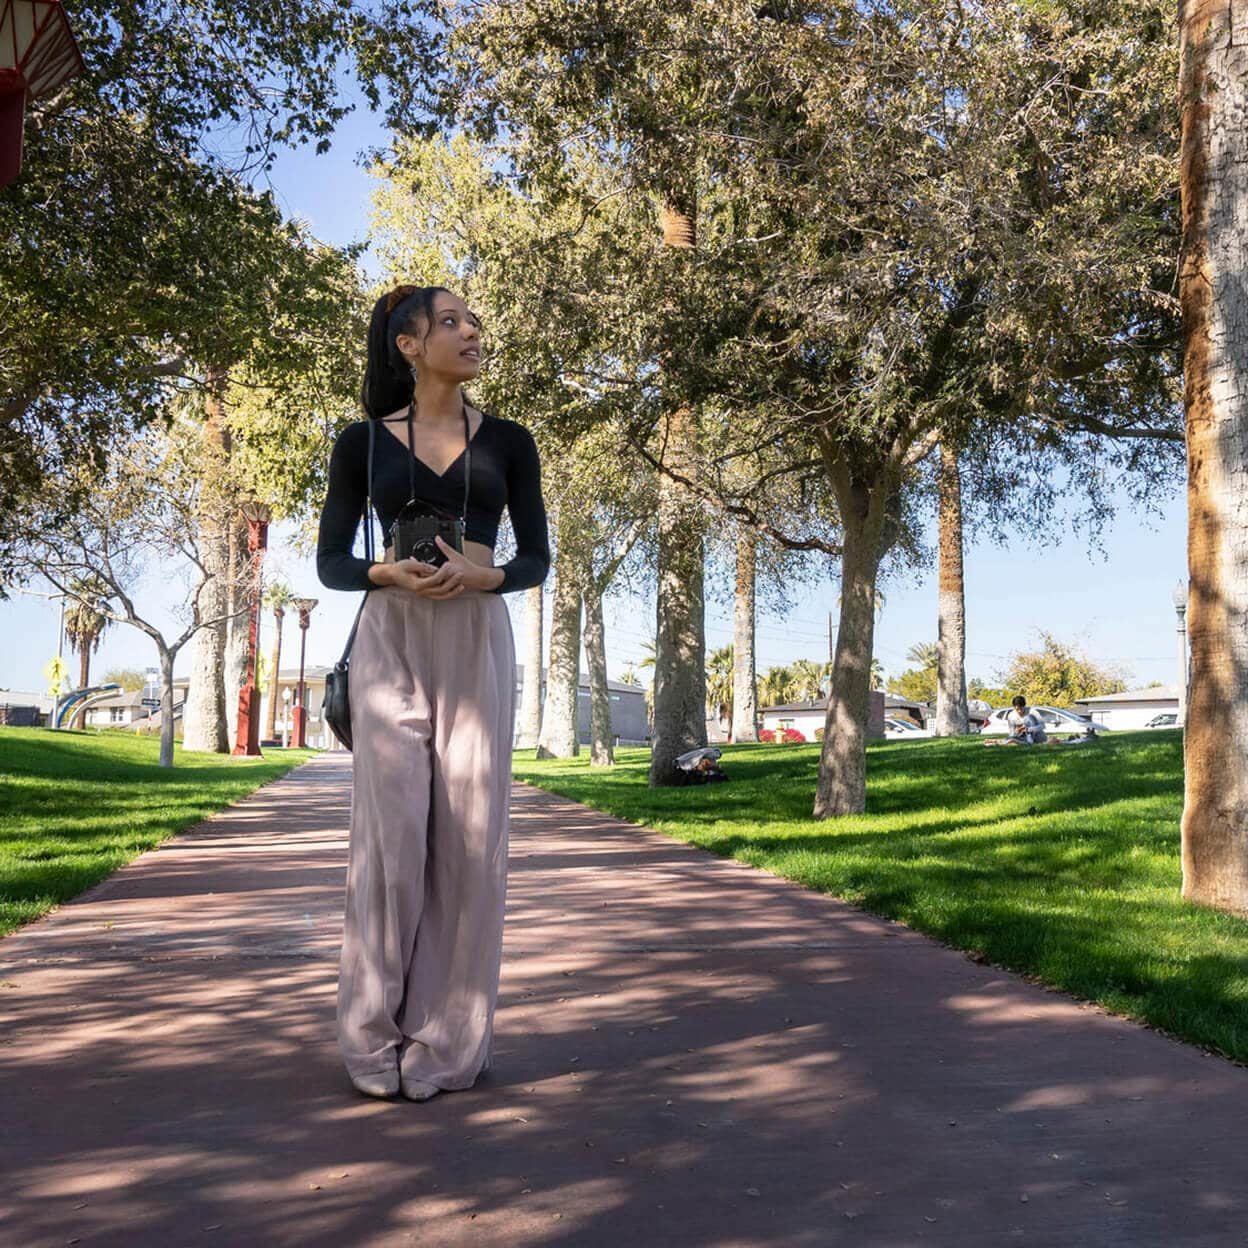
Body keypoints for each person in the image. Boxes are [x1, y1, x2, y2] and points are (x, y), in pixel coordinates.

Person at [316, 284, 550, 1102]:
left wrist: (488, 575)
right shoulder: (362, 444)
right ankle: (371, 1035)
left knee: (470, 841)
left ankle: (448, 1040)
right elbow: (332, 563)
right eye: (451, 321)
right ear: (408, 345)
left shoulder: (512, 441)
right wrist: (384, 570)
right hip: (391, 634)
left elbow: (537, 559)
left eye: (474, 319)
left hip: (476, 635)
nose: (472, 330)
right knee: (390, 843)